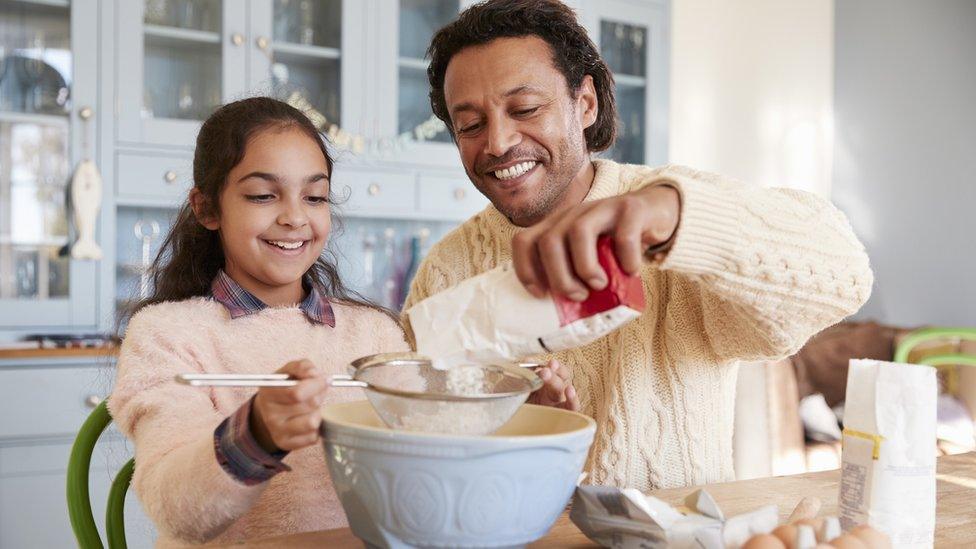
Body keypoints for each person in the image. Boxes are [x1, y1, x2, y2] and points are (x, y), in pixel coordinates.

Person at [404, 0, 874, 492]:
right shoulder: (446, 271)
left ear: (585, 104)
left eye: (525, 109)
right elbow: (416, 457)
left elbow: (845, 272)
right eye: (471, 125)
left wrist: (671, 219)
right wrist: (515, 431)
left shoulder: (669, 210)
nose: (497, 143)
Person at [109, 97, 577, 545]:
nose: (295, 217)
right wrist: (255, 435)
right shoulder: (166, 335)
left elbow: (431, 466)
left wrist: (516, 415)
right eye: (262, 195)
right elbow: (177, 510)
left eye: (314, 197)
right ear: (207, 207)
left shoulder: (374, 333)